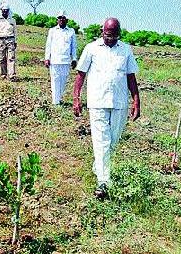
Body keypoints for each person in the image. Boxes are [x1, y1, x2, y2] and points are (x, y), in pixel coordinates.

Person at [73, 17, 140, 199]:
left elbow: (131, 78)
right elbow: (80, 75)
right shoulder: (91, 48)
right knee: (101, 141)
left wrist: (136, 101)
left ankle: (99, 166)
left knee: (112, 141)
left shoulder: (126, 50)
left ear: (119, 34)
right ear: (102, 31)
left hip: (119, 104)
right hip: (97, 102)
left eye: (113, 36)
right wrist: (76, 98)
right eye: (106, 34)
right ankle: (103, 181)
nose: (109, 38)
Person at [44, 11, 77, 105]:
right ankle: (55, 102)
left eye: (63, 18)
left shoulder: (71, 31)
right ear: (57, 20)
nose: (61, 19)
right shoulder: (52, 31)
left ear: (67, 20)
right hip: (54, 60)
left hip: (66, 61)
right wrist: (47, 58)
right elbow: (48, 45)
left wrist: (74, 59)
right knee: (55, 80)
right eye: (59, 18)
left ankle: (58, 98)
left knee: (63, 82)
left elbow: (73, 46)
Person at [0, 3, 17, 80]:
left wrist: (15, 41)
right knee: (2, 58)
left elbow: (15, 31)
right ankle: (3, 74)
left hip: (10, 39)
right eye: (3, 11)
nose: (5, 12)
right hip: (1, 40)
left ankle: (11, 75)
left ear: (8, 11)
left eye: (6, 11)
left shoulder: (12, 20)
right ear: (1, 11)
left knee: (11, 58)